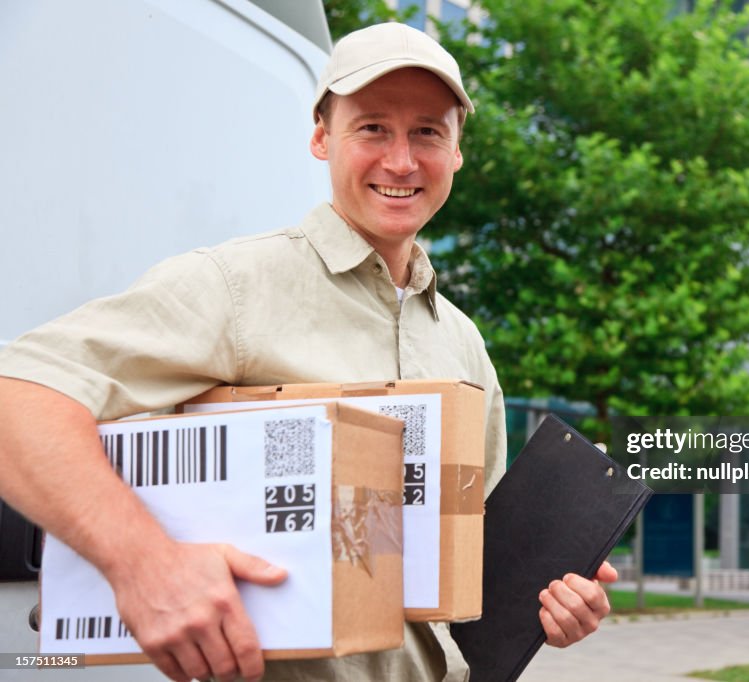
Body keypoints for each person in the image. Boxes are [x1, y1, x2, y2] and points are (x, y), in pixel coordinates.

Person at [0, 21, 616, 682]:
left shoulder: (461, 341)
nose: (402, 161)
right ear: (322, 137)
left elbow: (474, 569)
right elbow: (18, 396)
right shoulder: (237, 288)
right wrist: (143, 563)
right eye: (373, 128)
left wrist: (552, 603)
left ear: (458, 149)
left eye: (428, 132)